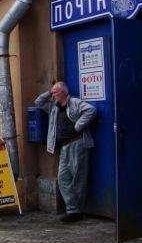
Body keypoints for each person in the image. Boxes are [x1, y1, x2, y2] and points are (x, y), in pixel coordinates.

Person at [35, 81, 97, 223]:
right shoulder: (54, 107)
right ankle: (73, 208)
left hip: (78, 143)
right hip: (64, 146)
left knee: (78, 178)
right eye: (53, 92)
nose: (53, 95)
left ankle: (76, 211)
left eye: (55, 92)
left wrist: (78, 126)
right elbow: (38, 102)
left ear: (63, 92)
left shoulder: (74, 102)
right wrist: (49, 92)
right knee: (63, 178)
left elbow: (91, 111)